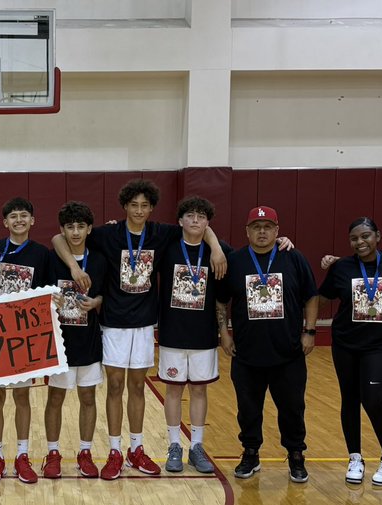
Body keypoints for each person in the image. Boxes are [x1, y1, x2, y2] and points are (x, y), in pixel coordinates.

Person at [52, 179, 225, 480]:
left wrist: (218, 249)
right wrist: (74, 268)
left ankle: (137, 448)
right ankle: (115, 451)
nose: (139, 210)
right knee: (115, 387)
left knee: (137, 387)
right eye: (134, 205)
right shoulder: (108, 233)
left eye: (145, 206)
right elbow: (58, 238)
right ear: (125, 206)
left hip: (145, 325)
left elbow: (200, 226)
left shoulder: (161, 233)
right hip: (114, 324)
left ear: (152, 208)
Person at [218, 207, 318, 482]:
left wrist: (309, 331)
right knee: (248, 409)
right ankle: (251, 453)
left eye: (267, 226)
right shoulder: (235, 261)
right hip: (247, 353)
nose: (261, 232)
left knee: (292, 408)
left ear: (277, 230)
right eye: (256, 226)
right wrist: (224, 333)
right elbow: (220, 300)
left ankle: (296, 455)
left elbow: (311, 296)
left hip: (288, 353)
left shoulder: (293, 258)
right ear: (246, 231)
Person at [317, 217, 382, 486]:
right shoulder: (341, 267)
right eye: (354, 238)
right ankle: (354, 457)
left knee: (373, 400)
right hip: (345, 343)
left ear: (377, 236)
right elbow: (322, 298)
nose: (360, 242)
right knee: (349, 399)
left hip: (378, 345)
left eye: (366, 236)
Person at [0, 197, 53, 484]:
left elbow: (46, 295)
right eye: (13, 216)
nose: (19, 220)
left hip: (25, 337)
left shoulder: (42, 254)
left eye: (24, 215)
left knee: (22, 396)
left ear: (32, 220)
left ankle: (22, 455)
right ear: (5, 222)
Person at [157, 196, 229, 474]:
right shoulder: (168, 247)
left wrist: (283, 241)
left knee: (199, 389)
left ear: (208, 222)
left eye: (201, 216)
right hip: (173, 335)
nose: (195, 220)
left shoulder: (220, 252)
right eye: (190, 215)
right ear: (180, 221)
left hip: (203, 336)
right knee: (173, 390)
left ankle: (196, 446)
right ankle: (174, 445)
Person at [43, 201, 106, 478]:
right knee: (55, 398)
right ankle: (53, 453)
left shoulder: (100, 259)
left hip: (89, 342)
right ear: (62, 230)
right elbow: (38, 297)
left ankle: (85, 452)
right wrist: (50, 303)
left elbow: (106, 296)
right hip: (60, 344)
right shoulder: (51, 258)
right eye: (70, 227)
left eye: (81, 226)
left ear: (90, 229)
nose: (76, 231)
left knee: (88, 398)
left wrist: (96, 303)